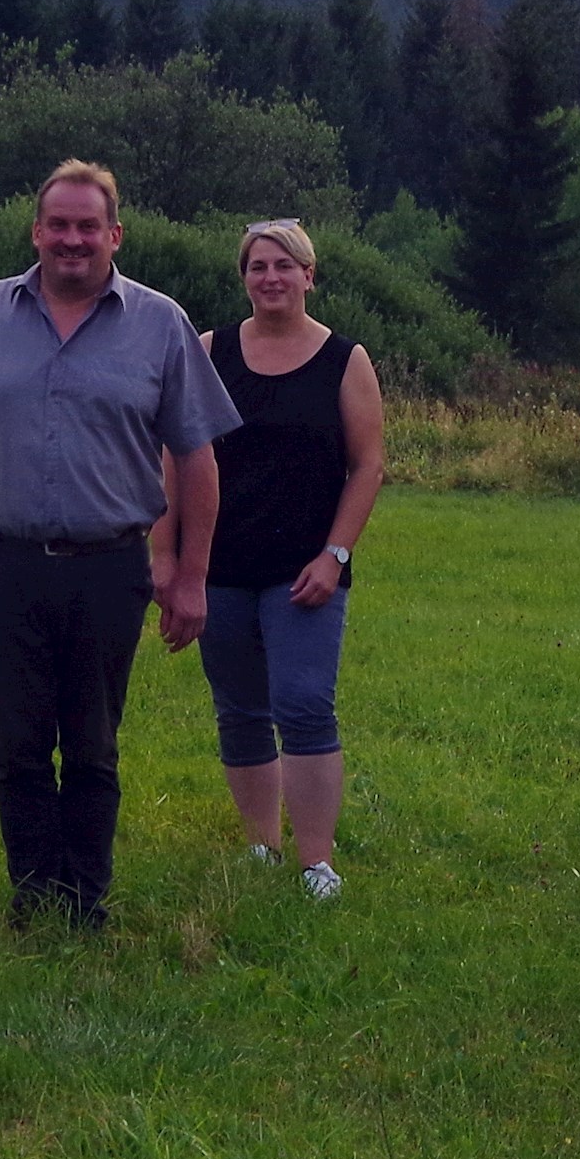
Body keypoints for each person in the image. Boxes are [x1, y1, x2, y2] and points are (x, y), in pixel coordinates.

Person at [0, 160, 243, 927]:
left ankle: (85, 898)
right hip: (6, 565)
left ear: (114, 234)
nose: (72, 239)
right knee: (17, 742)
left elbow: (197, 457)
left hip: (109, 568)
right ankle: (33, 892)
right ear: (36, 231)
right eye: (58, 224)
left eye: (88, 226)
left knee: (91, 742)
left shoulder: (161, 323)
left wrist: (191, 576)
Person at [195, 218, 387, 896]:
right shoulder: (210, 350)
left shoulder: (344, 359)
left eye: (284, 266)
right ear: (244, 277)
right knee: (240, 708)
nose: (270, 278)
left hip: (307, 570)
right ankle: (261, 845)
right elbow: (178, 456)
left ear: (309, 275)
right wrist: (178, 558)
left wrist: (335, 554)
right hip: (220, 568)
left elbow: (367, 465)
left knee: (304, 705)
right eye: (257, 266)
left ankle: (316, 861)